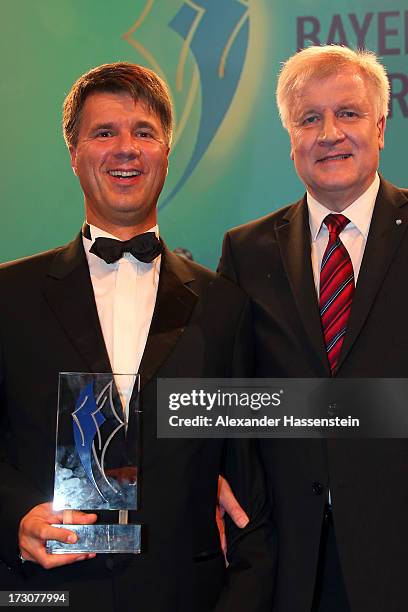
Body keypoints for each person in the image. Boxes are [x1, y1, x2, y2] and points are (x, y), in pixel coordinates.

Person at [0, 62, 274, 611]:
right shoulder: (10, 296)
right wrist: (15, 518)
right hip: (45, 595)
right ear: (73, 154)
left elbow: (250, 491)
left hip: (185, 596)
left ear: (166, 153)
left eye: (144, 132)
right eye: (105, 133)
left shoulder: (225, 306)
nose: (126, 148)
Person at [219, 45, 408, 612]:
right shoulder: (245, 250)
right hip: (288, 559)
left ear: (379, 128)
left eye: (347, 114)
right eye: (309, 118)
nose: (329, 133)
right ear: (291, 138)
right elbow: (232, 395)